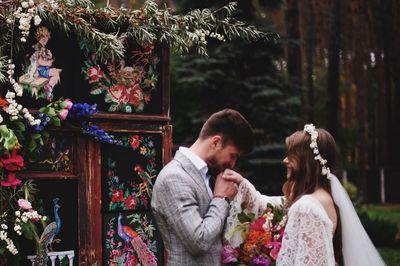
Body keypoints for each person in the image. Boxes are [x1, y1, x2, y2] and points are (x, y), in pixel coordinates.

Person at [223, 124, 385, 266]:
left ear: (306, 160)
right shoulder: (324, 197)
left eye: (292, 155)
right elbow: (271, 203)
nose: (285, 160)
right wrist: (242, 183)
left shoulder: (307, 206)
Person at [152, 109, 259, 265]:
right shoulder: (174, 178)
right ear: (215, 142)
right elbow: (198, 241)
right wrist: (221, 198)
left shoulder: (211, 176)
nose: (233, 164)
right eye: (233, 155)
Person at [28, 26, 61, 101]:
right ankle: (48, 88)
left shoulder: (42, 47)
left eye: (46, 40)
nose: (45, 42)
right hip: (39, 70)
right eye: (44, 40)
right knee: (55, 73)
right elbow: (38, 61)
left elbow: (46, 57)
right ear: (39, 37)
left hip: (43, 69)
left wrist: (49, 56)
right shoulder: (37, 47)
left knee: (55, 72)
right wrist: (47, 63)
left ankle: (49, 90)